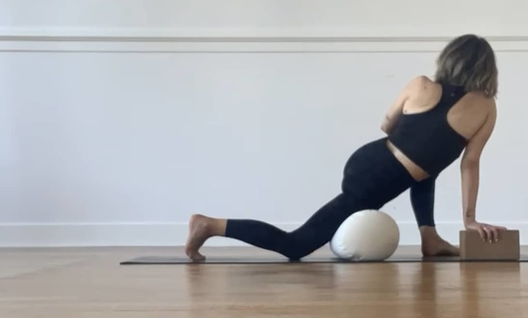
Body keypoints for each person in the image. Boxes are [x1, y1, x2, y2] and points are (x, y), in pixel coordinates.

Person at [185, 34, 505, 262]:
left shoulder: (420, 84)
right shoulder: (486, 108)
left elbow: (386, 126)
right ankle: (209, 225)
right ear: (485, 69)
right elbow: (470, 163)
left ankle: (429, 238)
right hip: (373, 177)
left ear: (449, 59)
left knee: (425, 172)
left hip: (373, 159)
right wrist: (470, 219)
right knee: (296, 245)